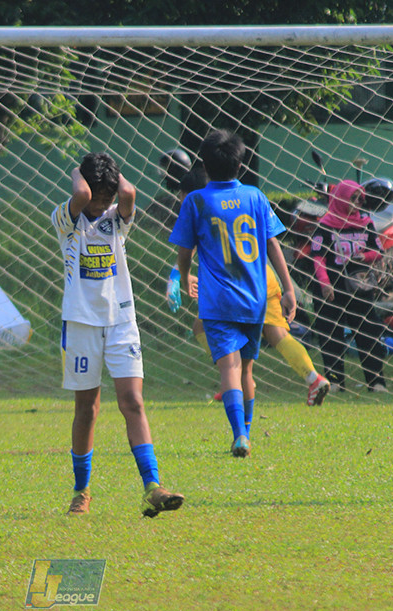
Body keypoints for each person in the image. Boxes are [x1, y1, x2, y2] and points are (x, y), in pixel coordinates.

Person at [51, 151, 184, 517]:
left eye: (106, 198)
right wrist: (81, 172)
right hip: (80, 323)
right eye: (99, 196)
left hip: (122, 321)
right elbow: (79, 195)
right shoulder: (66, 219)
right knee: (87, 409)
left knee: (133, 403)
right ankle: (81, 490)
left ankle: (152, 486)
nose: (103, 204)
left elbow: (128, 193)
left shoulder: (117, 219)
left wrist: (110, 181)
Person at [169, 129, 297, 457]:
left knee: (230, 367)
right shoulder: (255, 197)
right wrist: (288, 288)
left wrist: (184, 278)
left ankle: (239, 434)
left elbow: (185, 252)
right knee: (248, 369)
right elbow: (272, 244)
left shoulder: (196, 201)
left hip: (218, 301)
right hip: (254, 299)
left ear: (205, 166)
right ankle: (247, 433)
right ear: (240, 165)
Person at [165, 171, 330, 407]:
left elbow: (189, 247)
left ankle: (234, 381)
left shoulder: (201, 205)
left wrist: (176, 277)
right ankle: (313, 378)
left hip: (232, 285)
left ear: (188, 194)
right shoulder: (242, 200)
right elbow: (270, 241)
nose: (180, 201)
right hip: (263, 278)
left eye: (181, 195)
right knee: (277, 333)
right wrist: (288, 288)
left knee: (203, 327)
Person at [308, 179, 388, 393]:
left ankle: (376, 381)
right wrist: (324, 284)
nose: (356, 204)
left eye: (359, 199)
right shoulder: (325, 224)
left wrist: (365, 256)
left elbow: (377, 251)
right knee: (330, 335)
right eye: (352, 199)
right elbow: (318, 257)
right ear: (341, 198)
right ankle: (335, 381)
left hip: (359, 287)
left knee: (368, 332)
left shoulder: (366, 223)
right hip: (331, 289)